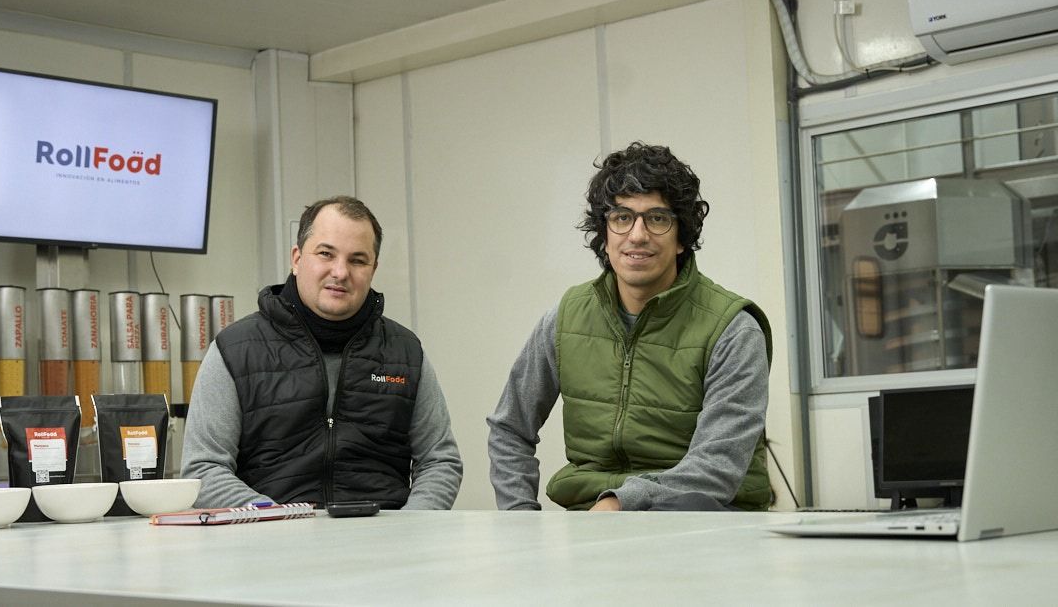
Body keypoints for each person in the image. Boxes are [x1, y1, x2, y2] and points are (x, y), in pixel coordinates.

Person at [487, 142, 773, 512]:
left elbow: (715, 469)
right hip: (589, 518)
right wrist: (520, 518)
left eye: (657, 218)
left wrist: (619, 503)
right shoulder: (564, 318)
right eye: (622, 217)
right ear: (605, 235)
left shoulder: (733, 329)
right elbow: (510, 428)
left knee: (686, 507)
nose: (637, 235)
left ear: (682, 237)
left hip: (701, 516)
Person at [183, 196, 462, 509]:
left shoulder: (406, 352)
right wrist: (275, 521)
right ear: (297, 258)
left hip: (386, 546)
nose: (340, 272)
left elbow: (439, 462)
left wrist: (412, 526)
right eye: (326, 254)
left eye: (357, 260)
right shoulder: (234, 350)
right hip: (268, 545)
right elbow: (203, 470)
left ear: (373, 268)